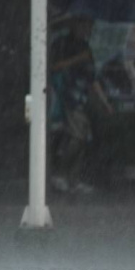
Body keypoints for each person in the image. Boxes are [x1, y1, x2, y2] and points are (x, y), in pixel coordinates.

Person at [49, 16, 114, 194]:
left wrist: (104, 101)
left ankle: (73, 179)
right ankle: (60, 173)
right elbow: (55, 66)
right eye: (86, 25)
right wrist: (78, 59)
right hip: (68, 95)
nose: (88, 29)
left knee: (82, 137)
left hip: (84, 96)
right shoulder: (63, 44)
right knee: (77, 135)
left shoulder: (86, 47)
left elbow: (92, 78)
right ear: (75, 25)